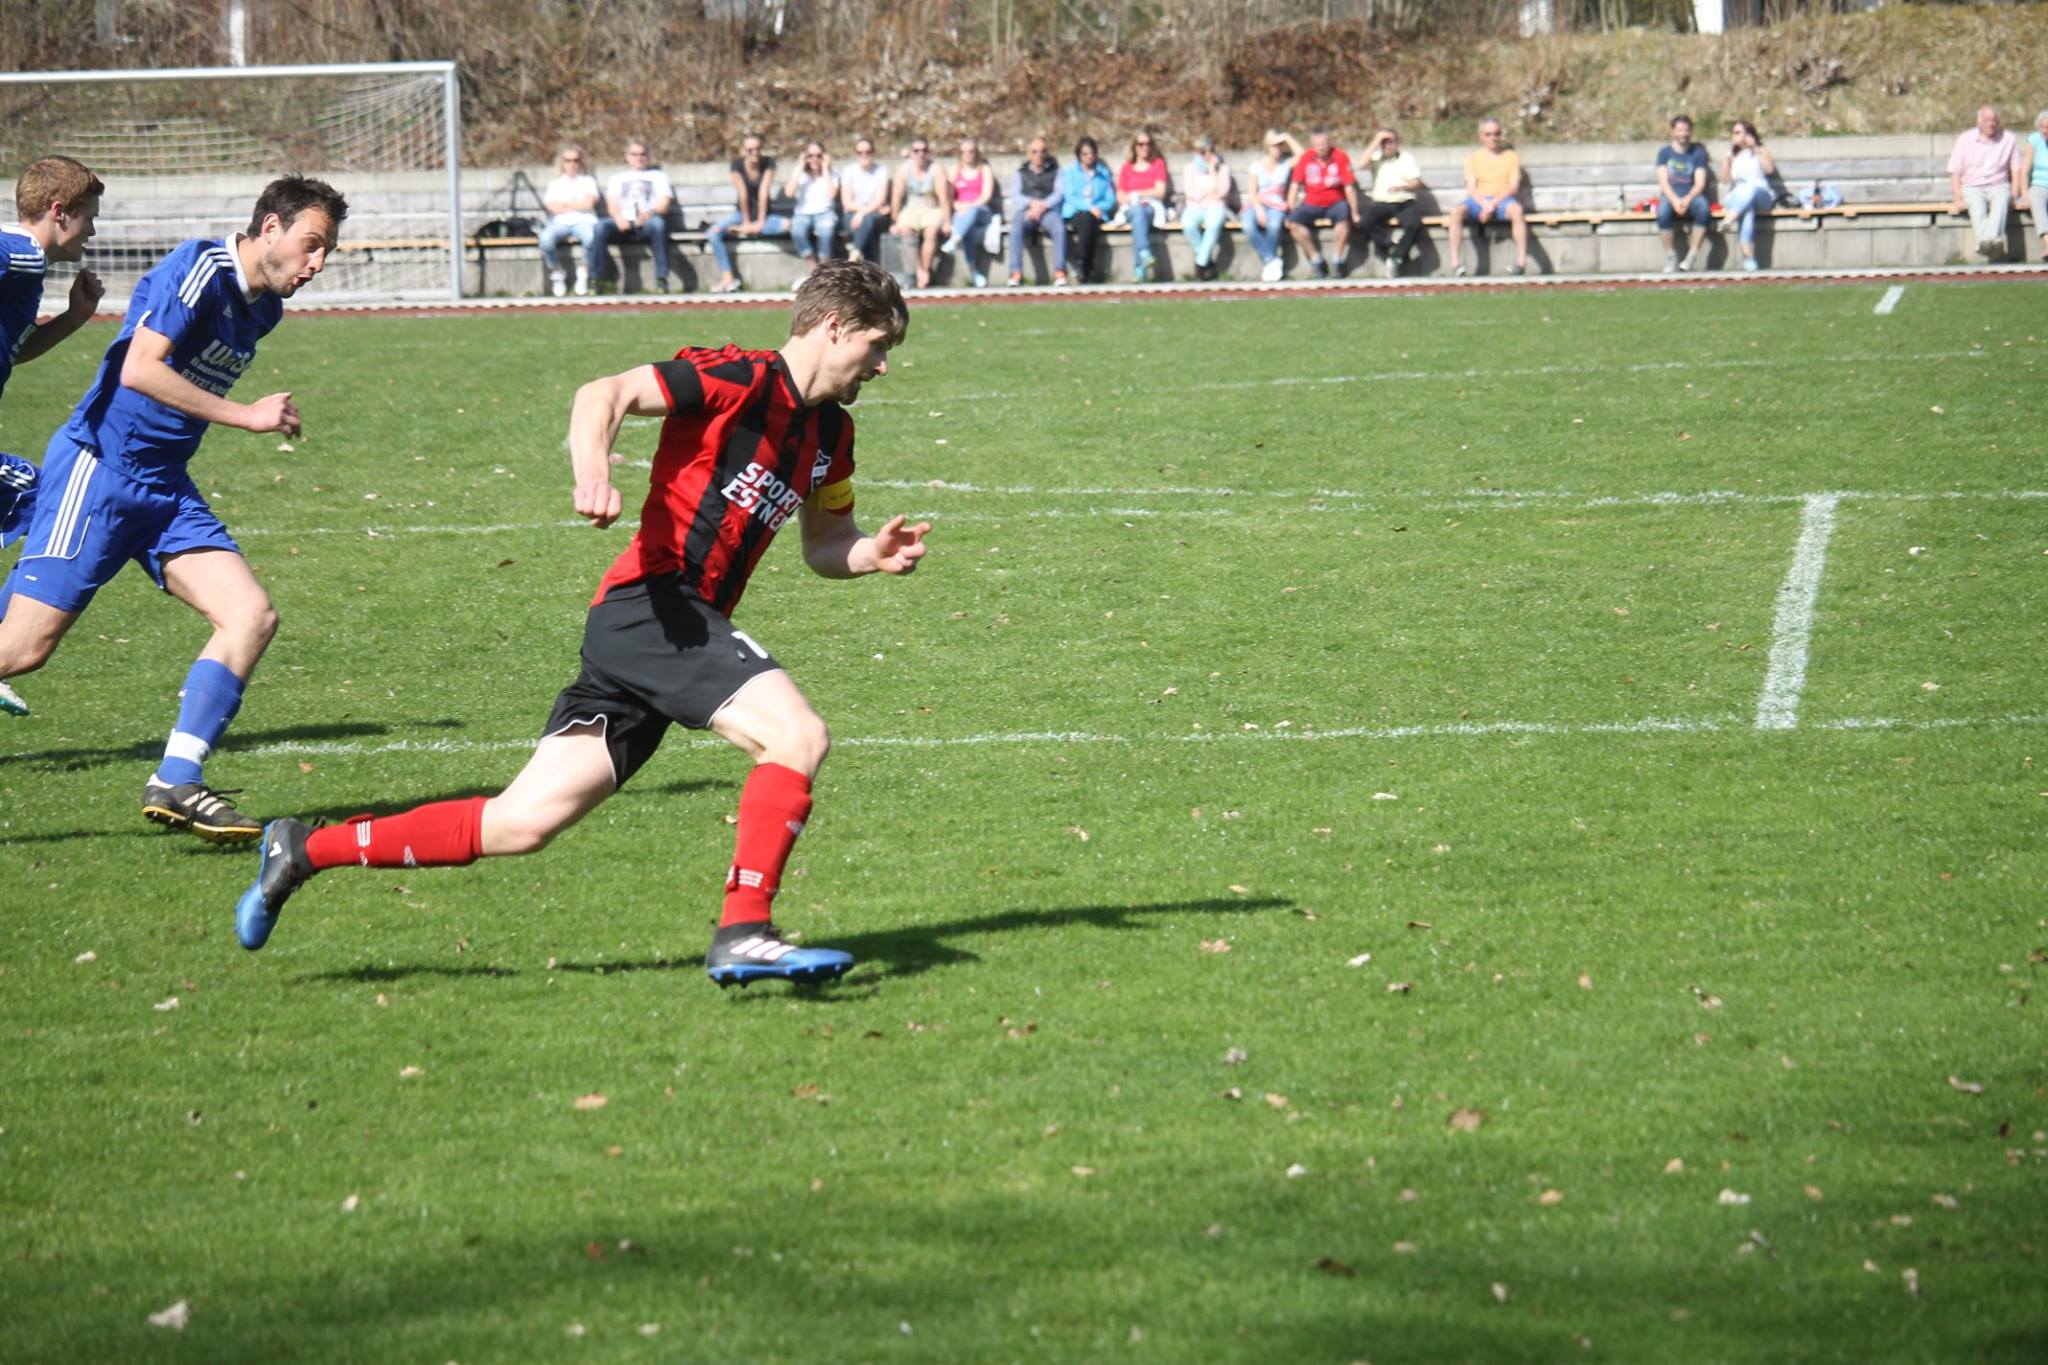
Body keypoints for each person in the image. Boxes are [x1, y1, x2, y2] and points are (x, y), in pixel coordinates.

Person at [233, 259, 930, 992]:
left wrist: (869, 556)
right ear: (832, 327)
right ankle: (745, 928)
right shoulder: (738, 377)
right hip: (653, 608)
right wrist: (592, 471)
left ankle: (305, 848)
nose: (882, 367)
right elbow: (605, 392)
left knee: (521, 822)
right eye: (878, 346)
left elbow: (826, 544)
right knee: (797, 735)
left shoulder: (832, 436)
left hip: (665, 632)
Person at [0, 175, 345, 836]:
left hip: (163, 487)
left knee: (250, 615)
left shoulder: (262, 310)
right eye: (310, 245)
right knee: (21, 648)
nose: (317, 263)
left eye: (326, 251)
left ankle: (178, 779)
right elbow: (139, 371)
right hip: (99, 472)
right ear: (269, 227)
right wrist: (246, 415)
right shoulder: (199, 269)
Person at [0, 156, 106, 718]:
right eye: (88, 216)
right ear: (59, 212)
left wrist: (73, 318)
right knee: (51, 505)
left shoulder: (27, 268)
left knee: (47, 506)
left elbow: (14, 352)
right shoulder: (17, 252)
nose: (92, 230)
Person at [589, 139, 676, 294]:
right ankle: (596, 279)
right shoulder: (618, 178)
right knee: (600, 227)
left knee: (658, 224)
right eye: (634, 154)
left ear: (648, 157)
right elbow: (612, 204)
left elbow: (664, 204)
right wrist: (618, 217)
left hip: (647, 221)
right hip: (622, 221)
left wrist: (648, 214)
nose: (639, 158)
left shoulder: (658, 177)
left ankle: (661, 278)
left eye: (642, 154)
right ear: (627, 157)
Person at [1446, 117, 1529, 277]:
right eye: (1489, 134)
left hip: (1503, 200)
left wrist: (1494, 204)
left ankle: (1521, 263)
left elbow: (1513, 187)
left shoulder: (1511, 156)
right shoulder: (1473, 158)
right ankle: (1456, 264)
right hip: (1479, 200)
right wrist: (1485, 204)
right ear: (1481, 136)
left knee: (1517, 211)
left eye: (1497, 134)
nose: (1493, 138)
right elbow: (1471, 188)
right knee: (1456, 212)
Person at [707, 135, 787, 294]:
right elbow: (742, 193)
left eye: (757, 149)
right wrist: (746, 223)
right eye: (750, 150)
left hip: (764, 216)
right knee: (713, 233)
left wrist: (759, 224)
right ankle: (727, 277)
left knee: (788, 225)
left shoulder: (768, 163)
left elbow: (763, 192)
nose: (754, 153)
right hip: (742, 215)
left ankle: (739, 229)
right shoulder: (737, 165)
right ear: (744, 151)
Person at [1948, 106, 2023, 260]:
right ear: (1979, 122)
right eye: (1987, 120)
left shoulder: (2008, 139)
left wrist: (2015, 191)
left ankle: (1983, 243)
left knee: (2002, 199)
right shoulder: (1965, 139)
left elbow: (2016, 169)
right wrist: (1957, 198)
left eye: (1994, 120)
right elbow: (1955, 171)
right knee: (1977, 206)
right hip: (1972, 185)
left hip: (1999, 184)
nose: (1991, 124)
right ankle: (1993, 242)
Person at [1285, 127, 1359, 279]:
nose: (1321, 147)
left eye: (1324, 143)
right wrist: (1290, 210)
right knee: (1293, 224)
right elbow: (1294, 185)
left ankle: (1337, 260)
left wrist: (1355, 212)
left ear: (1329, 142)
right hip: (1311, 203)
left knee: (1345, 218)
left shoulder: (1340, 156)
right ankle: (1316, 260)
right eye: (1317, 144)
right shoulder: (1306, 158)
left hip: (1335, 202)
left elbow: (1349, 187)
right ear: (1312, 144)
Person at [1359, 127, 1425, 278]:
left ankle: (1396, 257)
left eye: (1390, 142)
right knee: (1365, 221)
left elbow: (1416, 183)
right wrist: (1376, 140)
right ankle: (1391, 245)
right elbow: (1361, 164)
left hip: (1403, 199)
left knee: (1414, 224)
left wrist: (1403, 187)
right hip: (1381, 202)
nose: (1387, 146)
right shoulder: (1376, 158)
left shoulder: (1406, 158)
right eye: (1384, 143)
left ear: (1397, 143)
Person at [538, 144, 600, 297]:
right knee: (545, 240)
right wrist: (577, 204)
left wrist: (566, 205)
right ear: (562, 163)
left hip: (584, 221)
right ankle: (557, 273)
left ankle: (584, 272)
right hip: (559, 222)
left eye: (575, 160)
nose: (572, 164)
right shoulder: (555, 184)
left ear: (581, 162)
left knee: (592, 237)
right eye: (568, 160)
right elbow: (553, 207)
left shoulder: (588, 181)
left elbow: (590, 203)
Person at [1005, 136, 1066, 287]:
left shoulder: (1056, 171)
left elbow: (1059, 193)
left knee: (1059, 228)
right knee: (1016, 229)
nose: (1039, 155)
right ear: (1029, 154)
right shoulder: (1020, 173)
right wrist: (1031, 204)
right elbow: (1015, 195)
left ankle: (1059, 271)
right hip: (1027, 211)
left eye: (1043, 151)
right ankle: (1016, 272)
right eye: (1035, 151)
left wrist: (1043, 206)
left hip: (1048, 211)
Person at [1719, 120, 1777, 273]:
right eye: (1734, 133)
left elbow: (1769, 170)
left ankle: (1729, 219)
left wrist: (1755, 148)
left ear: (1748, 134)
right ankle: (1748, 256)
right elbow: (1725, 180)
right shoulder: (1732, 154)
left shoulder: (1759, 150)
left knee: (1750, 187)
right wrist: (1727, 161)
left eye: (1738, 132)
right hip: (1737, 197)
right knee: (1748, 209)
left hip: (1761, 194)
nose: (1735, 136)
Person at [889, 138, 948, 290]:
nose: (920, 154)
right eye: (916, 151)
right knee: (906, 232)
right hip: (911, 208)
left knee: (931, 231)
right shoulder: (903, 170)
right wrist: (895, 220)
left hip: (931, 207)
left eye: (924, 150)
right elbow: (897, 197)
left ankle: (925, 272)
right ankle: (919, 271)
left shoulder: (936, 169)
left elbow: (943, 197)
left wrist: (947, 221)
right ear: (911, 153)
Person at [1656, 115, 1712, 272]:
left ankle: (1692, 256)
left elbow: (1700, 183)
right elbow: (1663, 182)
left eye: (1686, 130)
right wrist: (1675, 200)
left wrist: (1687, 199)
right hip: (1671, 195)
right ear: (1673, 132)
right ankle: (1671, 256)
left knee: (1703, 208)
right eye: (1680, 130)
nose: (1683, 134)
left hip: (1691, 194)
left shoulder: (1698, 153)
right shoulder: (1664, 153)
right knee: (1663, 211)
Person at [1061, 136, 1116, 285]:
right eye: (1085, 154)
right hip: (1075, 212)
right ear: (1079, 155)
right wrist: (1089, 207)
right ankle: (1085, 263)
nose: (1089, 157)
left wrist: (1099, 208)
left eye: (1092, 153)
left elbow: (1110, 198)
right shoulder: (1071, 172)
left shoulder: (1103, 173)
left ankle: (1082, 263)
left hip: (1096, 213)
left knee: (1090, 222)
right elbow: (1070, 197)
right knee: (1087, 220)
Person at [1117, 130, 1170, 283]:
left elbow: (1160, 192)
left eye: (1148, 144)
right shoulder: (1127, 168)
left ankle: (1140, 268)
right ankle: (1144, 254)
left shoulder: (1158, 164)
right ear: (1135, 147)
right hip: (1131, 208)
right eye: (1141, 144)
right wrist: (1137, 196)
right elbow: (1120, 197)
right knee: (1137, 213)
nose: (1145, 147)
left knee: (1139, 217)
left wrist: (1137, 194)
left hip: (1151, 208)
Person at [1244, 130, 1297, 283]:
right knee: (1248, 225)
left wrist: (1287, 137)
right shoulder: (1256, 166)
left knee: (1274, 225)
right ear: (1267, 147)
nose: (1277, 149)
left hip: (1277, 205)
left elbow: (1304, 155)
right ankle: (1272, 260)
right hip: (1258, 203)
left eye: (1280, 146)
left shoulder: (1285, 164)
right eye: (1274, 145)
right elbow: (1252, 193)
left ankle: (1270, 265)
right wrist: (1259, 211)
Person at [784, 141, 839, 284]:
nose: (814, 159)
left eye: (818, 155)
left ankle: (824, 268)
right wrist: (801, 167)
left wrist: (825, 169)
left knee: (826, 231)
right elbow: (789, 192)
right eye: (810, 155)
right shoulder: (800, 172)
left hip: (825, 212)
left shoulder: (832, 173)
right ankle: (814, 269)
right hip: (804, 212)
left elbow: (832, 194)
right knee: (797, 231)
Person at [942, 138, 995, 288]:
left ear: (976, 153)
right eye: (964, 152)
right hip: (962, 213)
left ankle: (954, 239)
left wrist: (969, 206)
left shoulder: (984, 169)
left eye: (971, 151)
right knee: (968, 229)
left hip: (981, 211)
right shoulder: (955, 171)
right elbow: (949, 196)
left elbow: (986, 195)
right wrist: (958, 205)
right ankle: (974, 272)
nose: (968, 155)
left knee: (970, 214)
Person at [1179, 136, 1232, 282]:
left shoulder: (1223, 168)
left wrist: (1212, 170)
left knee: (1214, 225)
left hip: (1215, 207)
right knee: (1188, 224)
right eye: (1203, 152)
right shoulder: (1190, 168)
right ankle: (1207, 262)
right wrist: (1207, 194)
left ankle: (1200, 264)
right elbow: (1190, 191)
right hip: (1195, 206)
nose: (1208, 155)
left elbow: (1222, 191)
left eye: (1211, 151)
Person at [839, 137, 893, 265]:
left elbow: (880, 199)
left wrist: (862, 214)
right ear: (855, 154)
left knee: (867, 221)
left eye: (868, 152)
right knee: (866, 223)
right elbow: (847, 202)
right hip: (852, 215)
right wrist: (862, 213)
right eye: (860, 152)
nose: (864, 155)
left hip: (873, 214)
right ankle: (868, 265)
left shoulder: (881, 170)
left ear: (873, 152)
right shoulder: (849, 171)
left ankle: (855, 255)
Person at [2025, 110, 2048, 262]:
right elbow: (2024, 170)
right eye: (2043, 127)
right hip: (2039, 184)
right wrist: (2023, 194)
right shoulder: (2034, 140)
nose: (2046, 131)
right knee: (2035, 198)